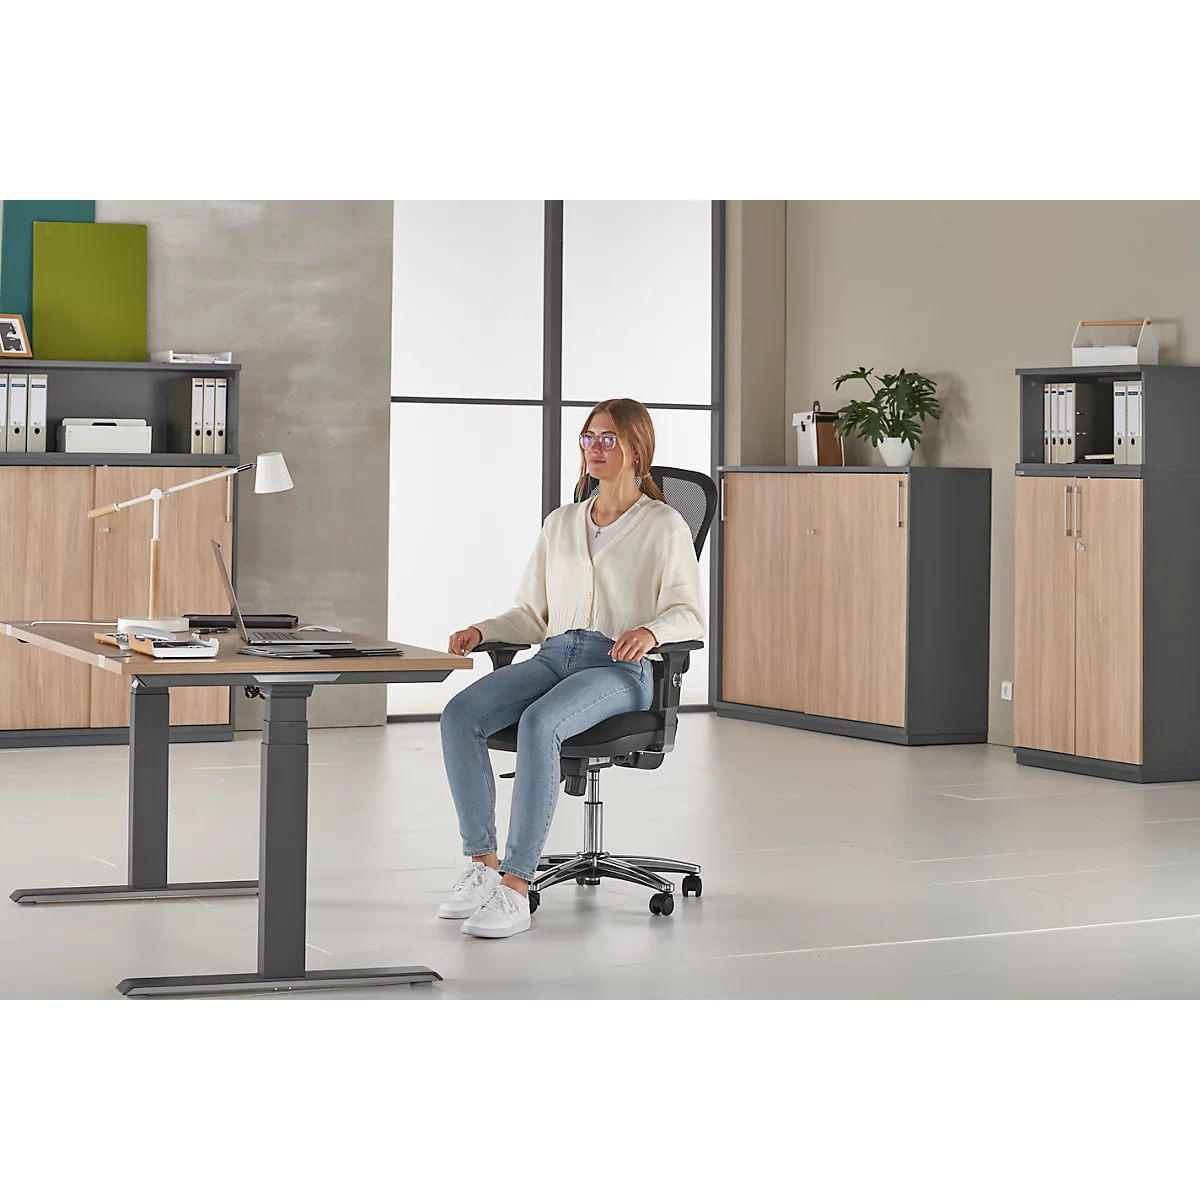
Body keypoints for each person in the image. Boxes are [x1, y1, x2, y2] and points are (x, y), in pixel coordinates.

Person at [438, 397, 705, 938]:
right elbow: (531, 614)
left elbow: (688, 611)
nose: (595, 448)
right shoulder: (560, 522)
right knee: (459, 714)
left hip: (619, 667)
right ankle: (482, 865)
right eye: (588, 437)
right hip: (554, 653)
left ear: (637, 448)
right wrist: (484, 631)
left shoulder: (664, 524)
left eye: (608, 438)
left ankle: (517, 886)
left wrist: (652, 631)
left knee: (542, 722)